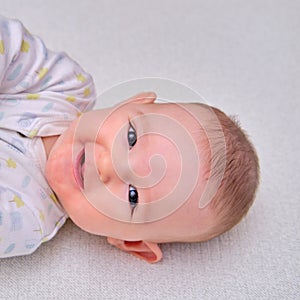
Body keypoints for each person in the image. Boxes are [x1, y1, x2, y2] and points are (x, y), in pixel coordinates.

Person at [0, 16, 259, 263]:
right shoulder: (67, 88)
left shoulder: (24, 218)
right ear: (132, 102)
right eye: (131, 137)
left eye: (133, 196)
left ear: (130, 241)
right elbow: (10, 43)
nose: (108, 166)